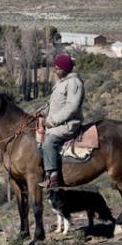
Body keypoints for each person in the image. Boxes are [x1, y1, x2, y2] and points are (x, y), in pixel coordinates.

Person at [38, 54, 85, 189]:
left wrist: (52, 121)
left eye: (58, 69)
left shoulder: (74, 83)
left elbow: (72, 107)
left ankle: (53, 176)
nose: (56, 71)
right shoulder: (62, 82)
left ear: (65, 69)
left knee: (49, 140)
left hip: (69, 124)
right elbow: (55, 104)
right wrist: (43, 112)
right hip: (59, 122)